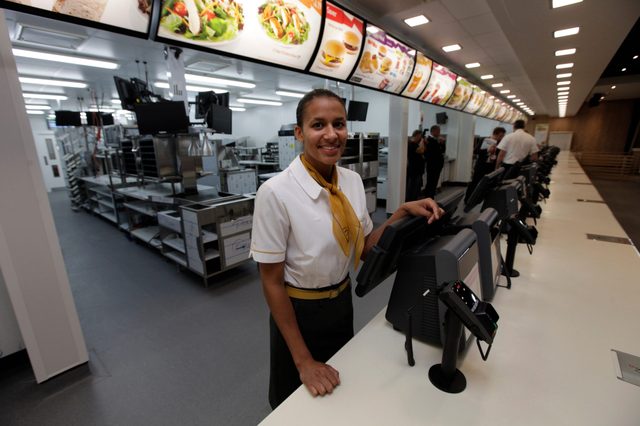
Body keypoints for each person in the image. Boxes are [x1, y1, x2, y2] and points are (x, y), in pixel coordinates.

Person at [250, 89, 444, 409]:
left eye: (338, 124)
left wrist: (400, 213)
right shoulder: (275, 193)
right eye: (318, 125)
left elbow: (365, 248)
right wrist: (303, 362)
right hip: (299, 312)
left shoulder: (351, 182)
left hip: (342, 303)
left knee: (340, 394)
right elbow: (271, 282)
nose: (331, 135)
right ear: (299, 132)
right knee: (293, 404)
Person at [465, 127, 506, 203]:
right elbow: (476, 151)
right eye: (500, 136)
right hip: (481, 166)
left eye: (503, 136)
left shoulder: (500, 144)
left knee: (487, 184)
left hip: (491, 166)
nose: (501, 138)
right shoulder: (484, 140)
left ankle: (480, 200)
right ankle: (467, 199)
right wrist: (487, 150)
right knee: (475, 182)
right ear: (495, 134)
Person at [422, 125, 446, 198]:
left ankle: (431, 196)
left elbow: (442, 151)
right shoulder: (428, 140)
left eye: (439, 131)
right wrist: (438, 142)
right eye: (438, 131)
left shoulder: (437, 140)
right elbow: (432, 152)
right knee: (430, 182)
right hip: (432, 165)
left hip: (438, 165)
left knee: (434, 182)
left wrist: (442, 143)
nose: (439, 133)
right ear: (433, 131)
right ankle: (428, 197)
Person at [406, 129, 425, 201]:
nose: (420, 138)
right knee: (413, 187)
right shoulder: (412, 144)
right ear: (417, 135)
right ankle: (411, 200)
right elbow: (421, 150)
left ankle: (414, 199)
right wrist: (422, 141)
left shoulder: (416, 144)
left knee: (417, 187)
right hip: (414, 170)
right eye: (420, 136)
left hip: (418, 170)